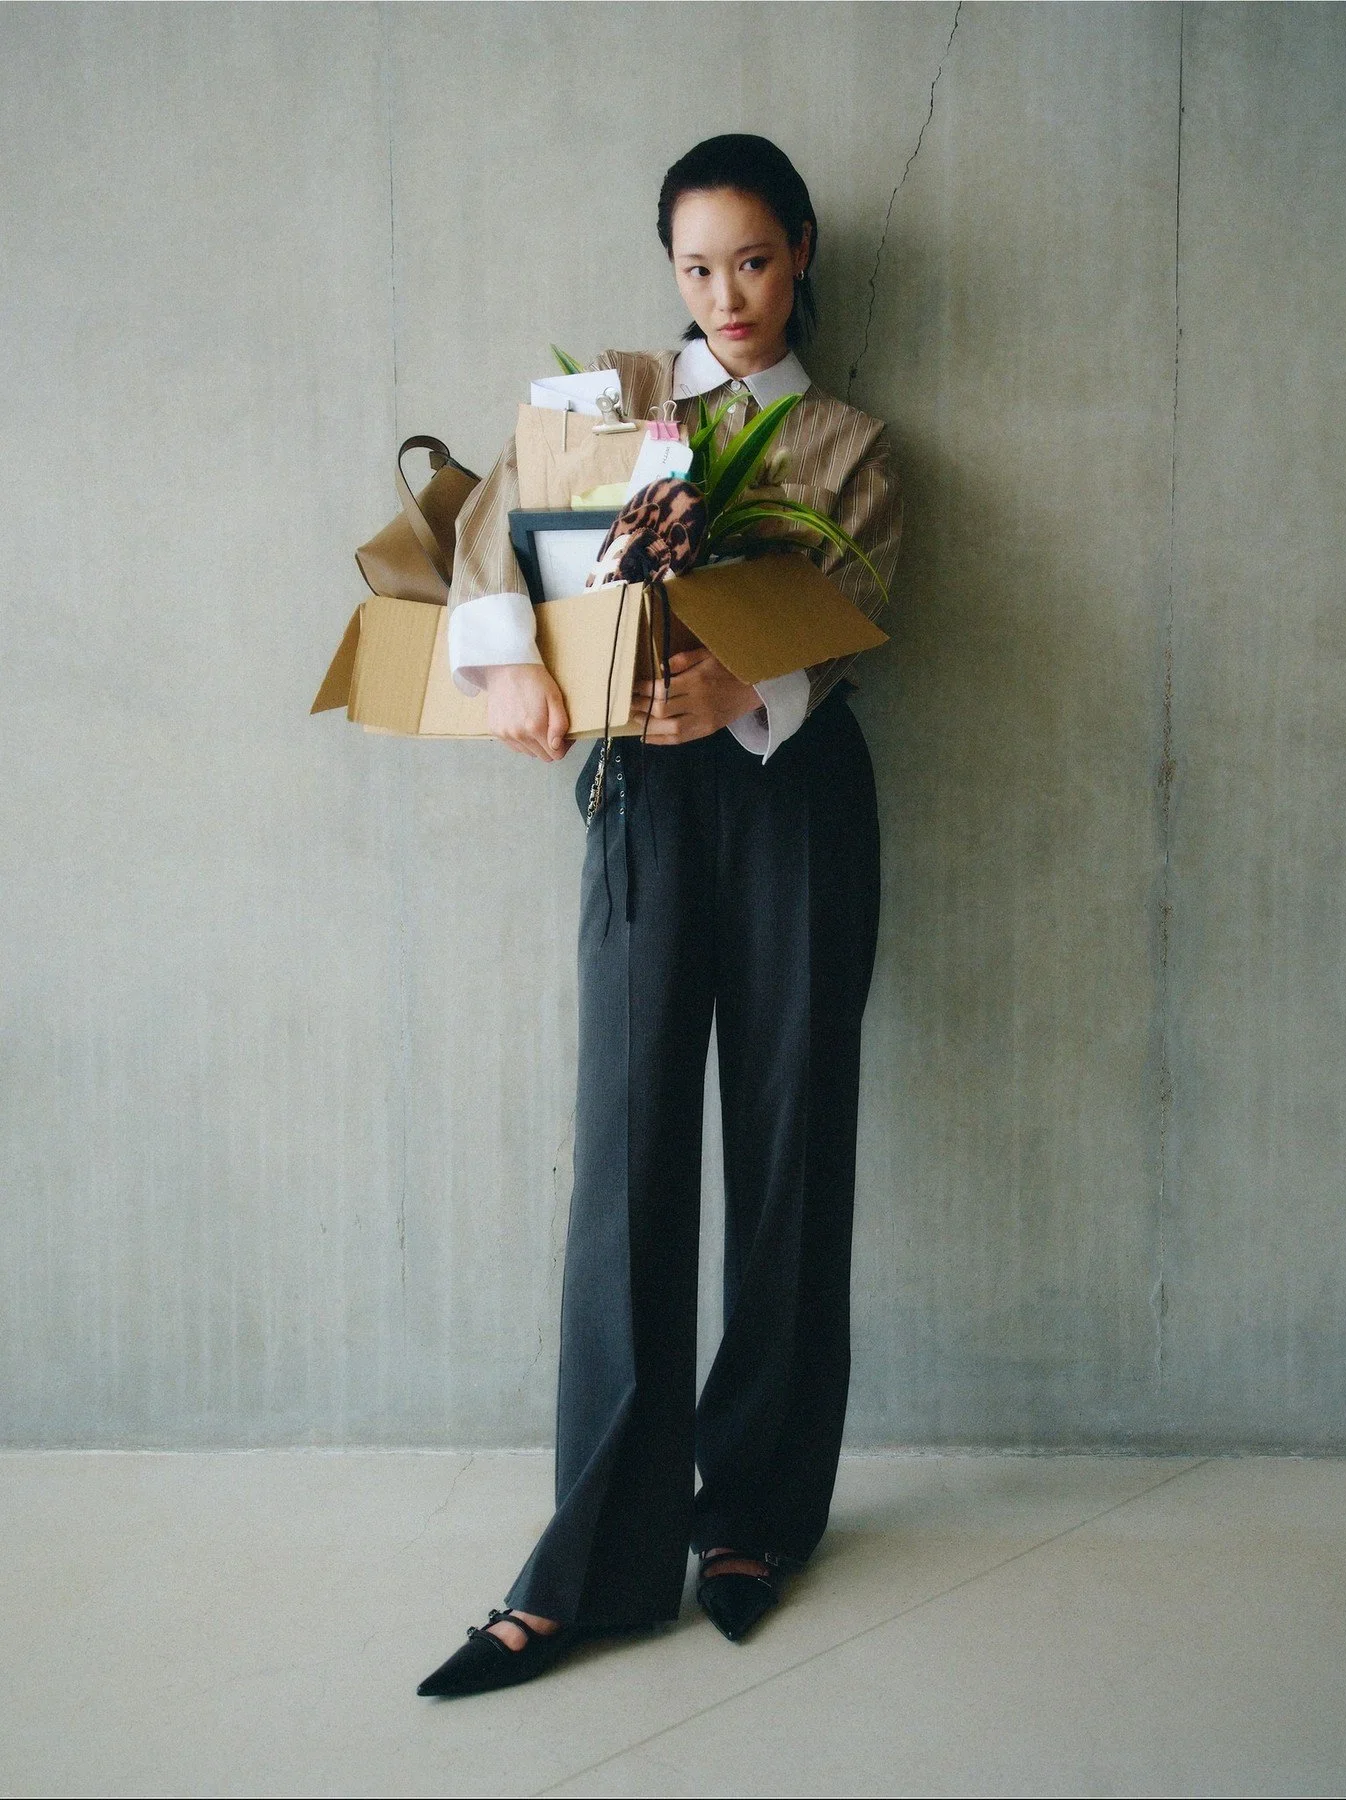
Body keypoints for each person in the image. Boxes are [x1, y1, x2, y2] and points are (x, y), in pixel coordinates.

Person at [418, 133, 902, 1698]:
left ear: (802, 250)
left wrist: (740, 686)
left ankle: (754, 1519)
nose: (727, 294)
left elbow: (856, 618)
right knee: (626, 1160)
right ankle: (593, 1564)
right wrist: (509, 665)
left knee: (788, 1152)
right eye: (698, 267)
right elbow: (487, 537)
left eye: (753, 259)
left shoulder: (849, 443)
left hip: (793, 805)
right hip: (641, 803)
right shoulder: (610, 399)